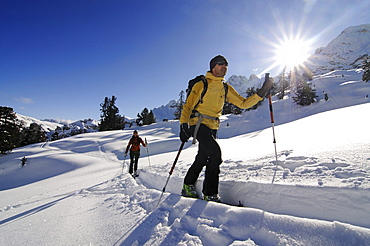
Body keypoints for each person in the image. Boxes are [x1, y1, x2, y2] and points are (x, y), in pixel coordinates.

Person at [179, 55, 273, 202]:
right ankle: (210, 193)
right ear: (213, 67)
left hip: (213, 126)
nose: (225, 67)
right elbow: (188, 105)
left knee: (203, 157)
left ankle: (188, 184)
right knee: (215, 154)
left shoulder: (225, 87)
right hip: (198, 124)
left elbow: (243, 103)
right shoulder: (202, 84)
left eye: (226, 64)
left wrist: (261, 93)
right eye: (221, 64)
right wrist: (183, 125)